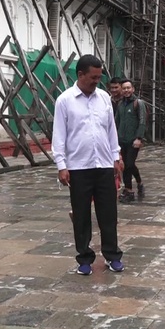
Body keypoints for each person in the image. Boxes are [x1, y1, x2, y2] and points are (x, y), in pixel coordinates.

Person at [52, 54, 124, 276]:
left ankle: (112, 255)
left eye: (99, 77)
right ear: (81, 74)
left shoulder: (104, 98)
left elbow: (111, 130)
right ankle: (84, 258)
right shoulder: (65, 101)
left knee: (108, 214)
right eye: (93, 77)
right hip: (78, 167)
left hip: (103, 165)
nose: (97, 82)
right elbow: (59, 135)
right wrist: (61, 165)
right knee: (82, 215)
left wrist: (116, 156)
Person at [116, 79, 146, 203]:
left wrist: (139, 138)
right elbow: (116, 122)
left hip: (133, 140)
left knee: (129, 164)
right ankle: (137, 184)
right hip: (121, 140)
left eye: (129, 88)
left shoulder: (138, 103)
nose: (126, 90)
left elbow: (142, 121)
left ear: (133, 89)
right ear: (121, 90)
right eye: (124, 88)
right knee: (126, 166)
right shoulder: (120, 104)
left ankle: (129, 189)